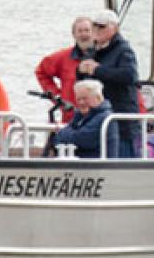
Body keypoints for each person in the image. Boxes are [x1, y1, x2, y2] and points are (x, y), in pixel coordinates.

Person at [77, 9, 140, 157]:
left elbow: (129, 76)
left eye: (102, 26)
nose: (97, 30)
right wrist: (80, 70)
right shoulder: (93, 50)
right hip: (96, 118)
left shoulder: (124, 50)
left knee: (122, 160)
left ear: (115, 28)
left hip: (120, 120)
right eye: (95, 26)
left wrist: (98, 70)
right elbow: (84, 80)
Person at [34, 16, 94, 122]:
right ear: (74, 35)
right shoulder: (63, 57)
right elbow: (41, 71)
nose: (84, 34)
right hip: (71, 117)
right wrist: (57, 97)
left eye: (87, 30)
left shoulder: (105, 55)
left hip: (99, 116)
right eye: (80, 31)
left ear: (94, 33)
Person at [50, 80, 119, 158]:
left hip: (97, 167)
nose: (81, 102)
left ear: (98, 98)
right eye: (78, 99)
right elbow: (57, 140)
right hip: (78, 166)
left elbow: (82, 139)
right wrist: (65, 134)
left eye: (85, 98)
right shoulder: (80, 116)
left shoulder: (105, 118)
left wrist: (62, 133)